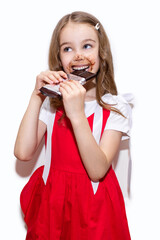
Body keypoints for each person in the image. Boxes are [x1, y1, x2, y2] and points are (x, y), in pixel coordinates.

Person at [14, 11, 132, 240]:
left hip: (94, 210)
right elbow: (22, 152)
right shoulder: (52, 103)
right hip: (54, 205)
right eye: (68, 48)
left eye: (87, 46)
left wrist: (76, 115)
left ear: (102, 53)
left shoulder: (115, 107)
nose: (78, 55)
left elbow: (97, 171)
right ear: (59, 59)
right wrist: (36, 97)